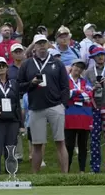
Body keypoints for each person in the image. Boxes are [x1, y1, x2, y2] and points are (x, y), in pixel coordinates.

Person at [18, 34, 69, 173]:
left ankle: (65, 176)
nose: (41, 46)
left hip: (55, 106)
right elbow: (19, 86)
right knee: (37, 144)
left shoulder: (57, 63)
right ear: (34, 46)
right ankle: (35, 176)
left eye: (43, 43)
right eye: (38, 43)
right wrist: (31, 84)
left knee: (60, 141)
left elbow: (65, 86)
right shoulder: (27, 64)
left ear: (47, 45)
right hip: (36, 108)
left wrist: (63, 105)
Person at [64, 59, 93, 173]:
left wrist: (74, 94)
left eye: (81, 68)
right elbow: (65, 94)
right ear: (72, 66)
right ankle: (66, 170)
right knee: (68, 146)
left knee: (83, 145)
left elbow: (89, 96)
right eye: (77, 66)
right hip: (69, 117)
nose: (78, 69)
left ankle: (82, 170)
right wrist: (79, 92)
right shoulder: (65, 80)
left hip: (84, 117)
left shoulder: (85, 81)